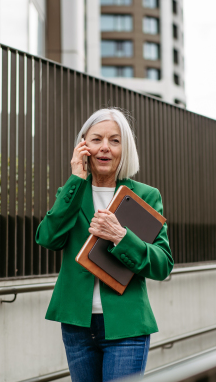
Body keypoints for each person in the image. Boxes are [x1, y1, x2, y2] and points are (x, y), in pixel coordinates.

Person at [35, 108, 173, 381]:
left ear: (125, 148)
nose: (105, 148)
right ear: (83, 145)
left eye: (115, 140)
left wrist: (122, 237)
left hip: (127, 325)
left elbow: (163, 264)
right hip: (77, 325)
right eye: (96, 139)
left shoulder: (145, 195)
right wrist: (76, 179)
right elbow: (48, 239)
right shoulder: (71, 193)